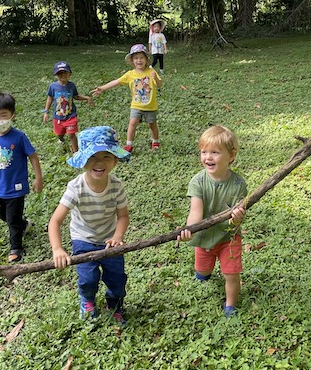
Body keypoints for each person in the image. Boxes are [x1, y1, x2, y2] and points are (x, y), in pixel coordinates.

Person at [48, 126, 131, 325]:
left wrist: (117, 237)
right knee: (88, 279)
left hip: (110, 240)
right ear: (83, 160)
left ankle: (115, 304)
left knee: (117, 278)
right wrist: (58, 249)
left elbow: (123, 216)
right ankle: (87, 300)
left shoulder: (116, 186)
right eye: (93, 157)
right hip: (82, 239)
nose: (99, 162)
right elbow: (55, 221)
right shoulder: (75, 188)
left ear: (115, 160)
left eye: (106, 156)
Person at [178, 125, 247, 317]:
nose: (208, 157)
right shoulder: (198, 182)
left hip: (228, 238)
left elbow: (237, 218)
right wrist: (189, 230)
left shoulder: (239, 185)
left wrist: (238, 218)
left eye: (215, 152)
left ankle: (230, 306)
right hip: (204, 236)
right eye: (204, 152)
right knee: (203, 270)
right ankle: (203, 273)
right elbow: (195, 212)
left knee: (231, 274)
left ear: (231, 156)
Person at [0, 92, 44, 263]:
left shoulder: (19, 137)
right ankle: (24, 224)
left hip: (17, 188)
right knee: (4, 216)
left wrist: (38, 178)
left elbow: (33, 156)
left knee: (11, 220)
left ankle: (16, 248)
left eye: (3, 115)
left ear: (12, 115)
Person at [91, 44, 163, 153]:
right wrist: (103, 88)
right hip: (136, 105)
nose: (139, 60)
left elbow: (160, 85)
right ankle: (129, 145)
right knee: (132, 123)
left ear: (146, 59)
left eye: (141, 57)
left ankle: (155, 142)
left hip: (150, 106)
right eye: (136, 58)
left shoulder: (151, 72)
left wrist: (155, 79)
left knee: (152, 125)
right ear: (132, 61)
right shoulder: (130, 74)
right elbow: (117, 82)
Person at [43, 61, 95, 154]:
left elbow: (75, 96)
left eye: (65, 72)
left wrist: (87, 98)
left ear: (70, 74)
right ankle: (61, 139)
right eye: (59, 73)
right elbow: (49, 99)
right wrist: (46, 112)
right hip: (58, 116)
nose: (62, 75)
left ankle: (76, 153)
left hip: (71, 115)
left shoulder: (71, 85)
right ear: (55, 75)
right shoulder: (53, 86)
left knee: (71, 134)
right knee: (60, 134)